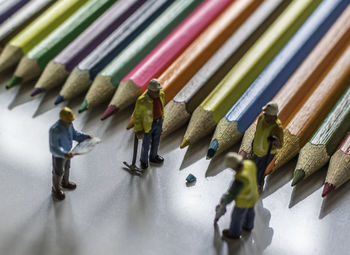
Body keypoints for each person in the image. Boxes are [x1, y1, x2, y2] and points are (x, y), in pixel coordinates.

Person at [49, 107, 91, 200]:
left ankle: (65, 182)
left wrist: (85, 137)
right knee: (58, 172)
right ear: (62, 119)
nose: (70, 122)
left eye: (71, 121)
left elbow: (75, 134)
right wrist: (63, 153)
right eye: (69, 121)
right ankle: (56, 189)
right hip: (59, 155)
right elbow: (54, 147)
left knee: (67, 167)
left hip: (68, 152)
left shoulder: (69, 124)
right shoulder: (54, 130)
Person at [214, 152, 259, 240]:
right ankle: (248, 226)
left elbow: (231, 194)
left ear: (234, 166)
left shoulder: (240, 178)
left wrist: (223, 201)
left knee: (236, 217)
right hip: (254, 195)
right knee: (250, 212)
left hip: (243, 201)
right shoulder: (249, 164)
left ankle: (234, 233)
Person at [243, 102, 283, 188]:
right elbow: (257, 133)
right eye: (265, 113)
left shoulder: (277, 127)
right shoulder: (261, 118)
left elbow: (280, 145)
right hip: (256, 149)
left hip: (267, 154)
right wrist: (252, 145)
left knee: (260, 170)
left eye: (267, 114)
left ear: (273, 116)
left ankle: (257, 185)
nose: (264, 115)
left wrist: (275, 140)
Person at [132, 79, 165, 169]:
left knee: (156, 141)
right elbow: (137, 116)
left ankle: (153, 156)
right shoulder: (142, 100)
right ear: (149, 91)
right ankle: (143, 160)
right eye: (156, 91)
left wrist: (162, 120)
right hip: (148, 126)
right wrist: (138, 130)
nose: (158, 92)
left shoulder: (161, 94)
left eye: (158, 90)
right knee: (146, 144)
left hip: (158, 122)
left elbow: (162, 108)